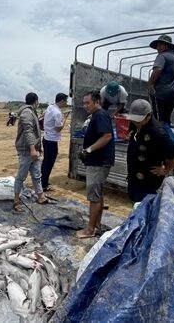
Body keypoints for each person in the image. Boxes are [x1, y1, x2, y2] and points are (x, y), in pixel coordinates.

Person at [126, 99, 174, 202]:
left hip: (148, 181)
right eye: (134, 119)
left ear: (149, 115)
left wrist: (165, 170)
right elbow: (133, 134)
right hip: (134, 178)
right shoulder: (135, 123)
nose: (136, 122)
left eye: (139, 120)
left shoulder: (158, 132)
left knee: (145, 209)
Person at [76, 90, 114, 239]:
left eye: (88, 103)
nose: (85, 105)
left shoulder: (101, 115)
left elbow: (107, 136)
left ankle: (89, 230)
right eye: (84, 103)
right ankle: (96, 225)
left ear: (97, 102)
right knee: (98, 194)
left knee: (94, 196)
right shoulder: (97, 115)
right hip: (97, 160)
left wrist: (89, 150)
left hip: (99, 162)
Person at [13, 92, 50, 212]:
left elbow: (35, 132)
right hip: (27, 150)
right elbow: (28, 132)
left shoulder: (31, 113)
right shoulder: (27, 113)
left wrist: (39, 148)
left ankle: (40, 196)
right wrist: (32, 149)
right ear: (36, 102)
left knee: (37, 175)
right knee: (21, 177)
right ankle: (16, 201)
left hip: (34, 149)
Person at [147, 34, 174, 124]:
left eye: (159, 45)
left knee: (159, 119)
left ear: (166, 45)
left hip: (160, 93)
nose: (157, 48)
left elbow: (158, 68)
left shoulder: (162, 56)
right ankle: (167, 135)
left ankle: (161, 137)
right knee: (166, 118)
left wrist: (150, 84)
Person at [40, 92, 69, 191]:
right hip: (52, 140)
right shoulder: (57, 113)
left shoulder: (50, 107)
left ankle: (42, 181)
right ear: (61, 101)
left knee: (46, 161)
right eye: (65, 101)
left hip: (46, 138)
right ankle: (43, 184)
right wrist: (63, 121)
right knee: (49, 162)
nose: (66, 103)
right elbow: (58, 129)